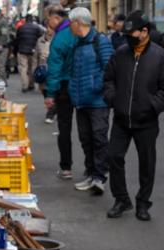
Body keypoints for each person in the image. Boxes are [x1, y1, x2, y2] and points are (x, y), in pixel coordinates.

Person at [103, 10, 164, 221]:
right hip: (121, 119)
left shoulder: (160, 56)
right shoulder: (120, 54)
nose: (128, 37)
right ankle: (121, 199)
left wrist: (151, 107)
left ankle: (143, 202)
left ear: (144, 32)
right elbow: (108, 79)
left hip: (146, 121)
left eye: (131, 33)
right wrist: (114, 99)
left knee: (147, 163)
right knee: (114, 156)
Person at [62, 8, 114, 195]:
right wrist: (72, 89)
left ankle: (99, 177)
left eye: (70, 24)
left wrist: (94, 86)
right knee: (86, 140)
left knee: (99, 139)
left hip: (98, 102)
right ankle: (91, 174)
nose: (69, 27)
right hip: (81, 101)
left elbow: (109, 69)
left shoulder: (101, 41)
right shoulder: (78, 43)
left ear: (78, 23)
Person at [44, 5, 76, 180]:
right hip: (82, 84)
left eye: (48, 20)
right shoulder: (80, 30)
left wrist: (50, 94)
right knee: (88, 129)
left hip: (65, 86)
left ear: (56, 18)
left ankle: (66, 167)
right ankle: (93, 171)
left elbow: (55, 69)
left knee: (64, 127)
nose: (48, 24)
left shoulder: (60, 38)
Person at [17, 13, 45, 91]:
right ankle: (31, 84)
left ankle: (24, 85)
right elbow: (40, 38)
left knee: (23, 68)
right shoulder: (36, 28)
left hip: (22, 50)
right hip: (33, 50)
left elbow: (17, 39)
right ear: (32, 19)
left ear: (25, 19)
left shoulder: (21, 28)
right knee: (32, 68)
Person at [36, 26, 57, 122]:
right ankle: (52, 108)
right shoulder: (40, 40)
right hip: (42, 69)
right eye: (47, 27)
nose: (49, 29)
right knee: (45, 91)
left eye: (51, 27)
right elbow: (35, 56)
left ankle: (50, 113)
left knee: (53, 92)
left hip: (54, 69)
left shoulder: (58, 39)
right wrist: (34, 70)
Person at [0, 9, 13, 75]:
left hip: (3, 46)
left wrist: (0, 44)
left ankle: (3, 80)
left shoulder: (2, 21)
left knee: (0, 65)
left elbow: (4, 34)